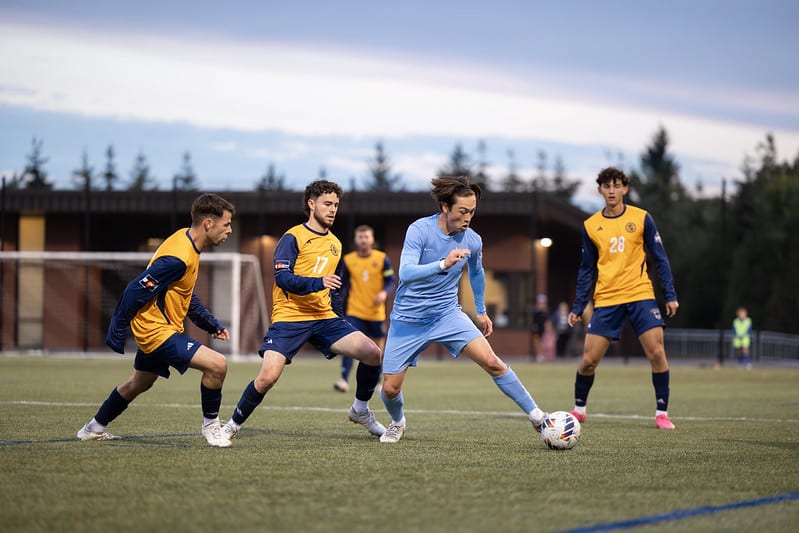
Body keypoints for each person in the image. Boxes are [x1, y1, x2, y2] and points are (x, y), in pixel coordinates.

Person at [379, 175, 547, 443]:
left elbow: (477, 272)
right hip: (408, 320)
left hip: (447, 314)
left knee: (493, 362)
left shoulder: (473, 240)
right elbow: (406, 273)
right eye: (463, 211)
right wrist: (443, 264)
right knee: (389, 389)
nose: (468, 217)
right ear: (445, 207)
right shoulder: (419, 230)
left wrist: (480, 311)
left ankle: (539, 417)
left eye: (472, 211)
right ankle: (398, 422)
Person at [221, 180, 386, 440]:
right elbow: (283, 279)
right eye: (327, 204)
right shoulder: (292, 237)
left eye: (336, 205)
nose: (333, 210)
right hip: (290, 317)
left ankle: (360, 410)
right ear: (311, 204)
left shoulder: (336, 244)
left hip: (324, 318)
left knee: (372, 353)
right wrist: (317, 282)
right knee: (267, 378)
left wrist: (339, 319)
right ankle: (231, 425)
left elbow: (334, 290)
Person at [77, 193, 236, 447]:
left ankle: (93, 428)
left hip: (160, 328)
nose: (229, 230)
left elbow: (185, 294)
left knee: (139, 383)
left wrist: (210, 324)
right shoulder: (179, 257)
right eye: (226, 224)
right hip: (156, 331)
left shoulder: (187, 241)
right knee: (217, 365)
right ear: (208, 223)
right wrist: (117, 327)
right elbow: (135, 289)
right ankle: (211, 426)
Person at [567, 166, 679, 430]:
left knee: (656, 352)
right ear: (600, 190)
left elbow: (660, 258)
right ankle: (579, 409)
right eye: (607, 186)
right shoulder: (591, 226)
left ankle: (662, 413)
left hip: (640, 294)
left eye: (617, 186)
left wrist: (670, 295)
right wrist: (578, 305)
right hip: (606, 298)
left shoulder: (642, 218)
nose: (612, 191)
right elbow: (586, 269)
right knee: (588, 360)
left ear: (625, 189)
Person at [333, 224, 395, 393]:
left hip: (376, 313)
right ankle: (343, 379)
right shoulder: (348, 260)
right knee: (349, 344)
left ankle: (378, 381)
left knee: (377, 349)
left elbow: (390, 281)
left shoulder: (382, 258)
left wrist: (384, 293)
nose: (363, 240)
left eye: (366, 237)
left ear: (372, 239)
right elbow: (342, 285)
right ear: (355, 240)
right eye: (360, 237)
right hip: (355, 311)